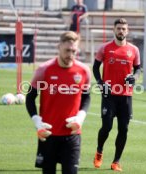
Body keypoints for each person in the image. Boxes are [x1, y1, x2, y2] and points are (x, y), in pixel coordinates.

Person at [25, 31, 91, 174]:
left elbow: (86, 98)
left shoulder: (84, 71)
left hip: (72, 134)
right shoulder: (44, 70)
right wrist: (37, 122)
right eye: (67, 50)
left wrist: (80, 118)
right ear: (59, 47)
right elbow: (30, 98)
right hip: (48, 135)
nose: (70, 54)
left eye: (74, 51)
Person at [92, 18, 141, 172]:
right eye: (119, 28)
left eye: (123, 29)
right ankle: (99, 152)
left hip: (126, 96)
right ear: (114, 30)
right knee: (106, 127)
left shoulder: (133, 50)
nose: (121, 31)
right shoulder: (105, 48)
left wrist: (135, 77)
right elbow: (95, 67)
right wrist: (100, 83)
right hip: (109, 95)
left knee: (123, 129)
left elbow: (138, 69)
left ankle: (116, 162)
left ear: (127, 31)